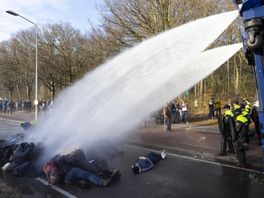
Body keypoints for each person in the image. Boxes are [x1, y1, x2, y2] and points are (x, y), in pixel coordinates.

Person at [43, 148, 120, 187]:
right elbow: (70, 160)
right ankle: (101, 182)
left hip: (66, 174)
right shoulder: (58, 160)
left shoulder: (51, 163)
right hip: (68, 175)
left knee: (85, 167)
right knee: (84, 173)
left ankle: (103, 170)